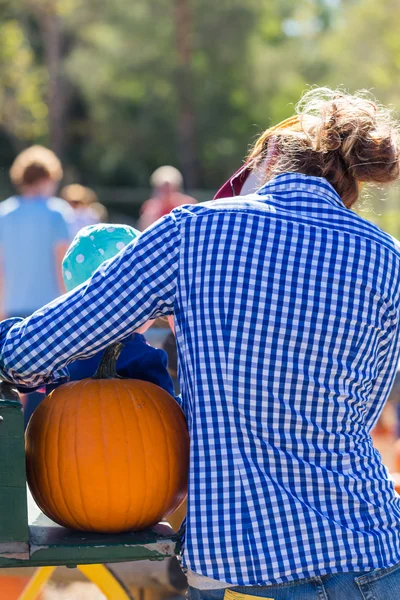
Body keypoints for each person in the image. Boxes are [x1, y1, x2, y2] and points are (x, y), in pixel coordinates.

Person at [1, 87, 400, 599]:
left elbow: (45, 344)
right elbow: (360, 416)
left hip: (247, 571)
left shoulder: (193, 232)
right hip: (373, 558)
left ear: (269, 160)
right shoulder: (385, 255)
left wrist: (12, 352)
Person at [22, 223, 175, 426]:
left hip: (68, 446)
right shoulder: (143, 357)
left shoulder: (63, 353)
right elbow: (168, 416)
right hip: (131, 450)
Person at [0, 145, 73, 320]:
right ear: (48, 178)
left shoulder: (3, 213)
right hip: (51, 310)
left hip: (12, 311)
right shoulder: (57, 212)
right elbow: (63, 265)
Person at [138, 166, 196, 230]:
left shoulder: (187, 205)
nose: (166, 192)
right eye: (162, 188)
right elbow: (143, 231)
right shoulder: (151, 207)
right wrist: (152, 213)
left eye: (169, 188)